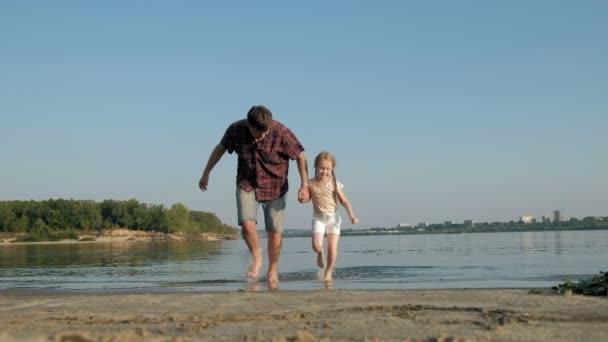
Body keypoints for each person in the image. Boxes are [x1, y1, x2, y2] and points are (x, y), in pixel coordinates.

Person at [198, 105, 309, 286]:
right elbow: (220, 148)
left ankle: (273, 269)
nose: (263, 136)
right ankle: (257, 258)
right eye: (259, 133)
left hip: (276, 186)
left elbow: (301, 156)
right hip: (247, 183)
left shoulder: (281, 131)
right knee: (246, 223)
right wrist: (206, 173)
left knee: (274, 231)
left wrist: (304, 186)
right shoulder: (236, 129)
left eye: (266, 132)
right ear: (249, 125)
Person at [307, 151, 359, 283]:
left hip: (333, 220)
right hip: (318, 218)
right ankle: (319, 254)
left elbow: (345, 202)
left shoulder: (335, 184)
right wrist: (301, 196)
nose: (324, 171)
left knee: (332, 248)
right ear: (316, 167)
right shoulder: (310, 183)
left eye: (328, 169)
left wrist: (352, 216)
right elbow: (305, 198)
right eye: (322, 168)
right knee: (316, 245)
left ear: (332, 169)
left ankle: (328, 271)